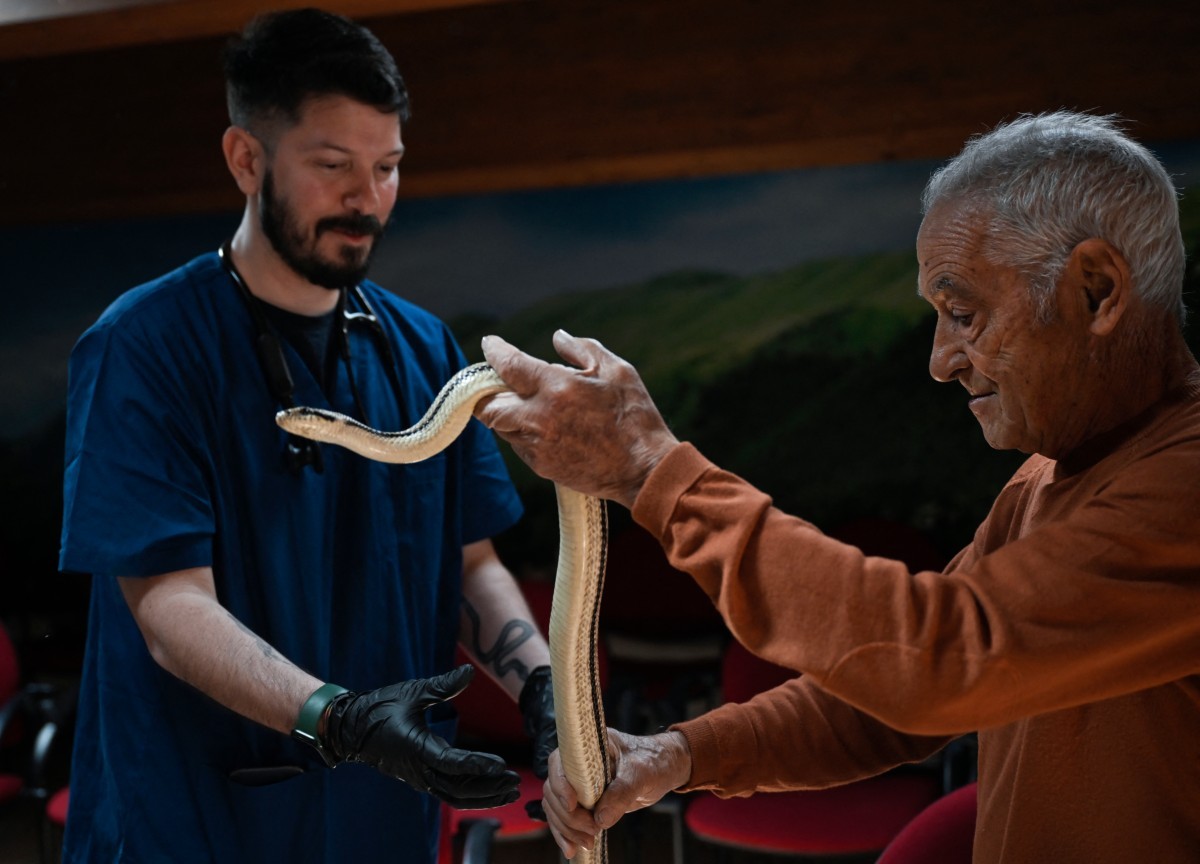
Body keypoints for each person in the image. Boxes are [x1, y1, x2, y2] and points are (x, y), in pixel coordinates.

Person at [474, 111, 1200, 863]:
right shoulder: (1048, 477)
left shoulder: (1184, 484)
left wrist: (652, 470)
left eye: (964, 314)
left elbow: (933, 664)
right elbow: (885, 701)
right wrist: (681, 755)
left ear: (1097, 289)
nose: (940, 361)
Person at [57, 9, 557, 863]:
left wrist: (546, 693)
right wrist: (342, 719)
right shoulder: (143, 346)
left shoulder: (425, 350)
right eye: (333, 168)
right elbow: (170, 607)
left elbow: (472, 564)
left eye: (388, 167)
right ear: (246, 159)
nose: (368, 199)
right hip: (194, 818)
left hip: (382, 819)